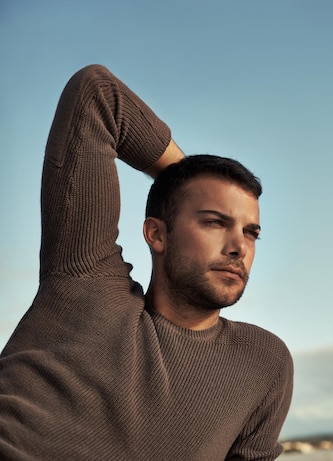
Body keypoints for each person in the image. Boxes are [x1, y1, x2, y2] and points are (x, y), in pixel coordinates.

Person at [0, 64, 293, 460]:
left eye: (251, 232)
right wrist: (186, 178)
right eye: (214, 222)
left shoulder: (264, 363)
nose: (238, 247)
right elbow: (97, 95)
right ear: (157, 234)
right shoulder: (85, 283)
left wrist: (197, 192)